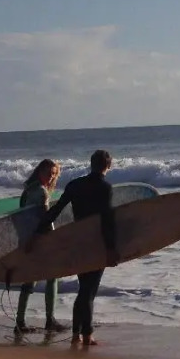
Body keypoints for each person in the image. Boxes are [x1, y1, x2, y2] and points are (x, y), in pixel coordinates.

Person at [39, 149, 118, 347]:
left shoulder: (74, 185)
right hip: (95, 244)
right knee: (89, 291)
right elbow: (107, 220)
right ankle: (87, 334)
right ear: (108, 166)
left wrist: (39, 232)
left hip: (78, 242)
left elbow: (55, 210)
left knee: (84, 288)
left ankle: (76, 334)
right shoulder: (105, 187)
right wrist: (111, 248)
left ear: (91, 164)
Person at [15, 159, 66, 335]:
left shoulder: (28, 190)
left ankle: (20, 322)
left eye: (54, 174)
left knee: (30, 280)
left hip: (27, 239)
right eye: (48, 172)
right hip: (38, 240)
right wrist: (54, 238)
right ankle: (49, 320)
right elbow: (45, 219)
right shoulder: (41, 192)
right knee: (51, 277)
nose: (51, 176)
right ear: (39, 171)